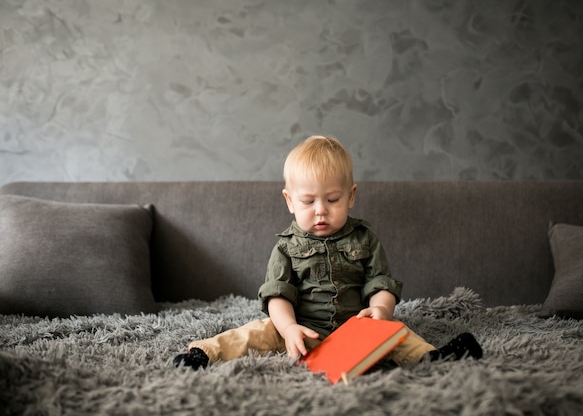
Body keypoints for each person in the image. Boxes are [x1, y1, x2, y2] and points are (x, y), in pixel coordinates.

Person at [174, 135, 482, 370]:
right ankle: (202, 352)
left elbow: (380, 284)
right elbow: (277, 296)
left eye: (332, 199)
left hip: (357, 330)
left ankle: (432, 356)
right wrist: (289, 327)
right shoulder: (286, 247)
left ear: (351, 196)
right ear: (289, 201)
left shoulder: (366, 239)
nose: (321, 211)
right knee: (253, 332)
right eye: (308, 202)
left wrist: (381, 312)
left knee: (397, 332)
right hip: (300, 327)